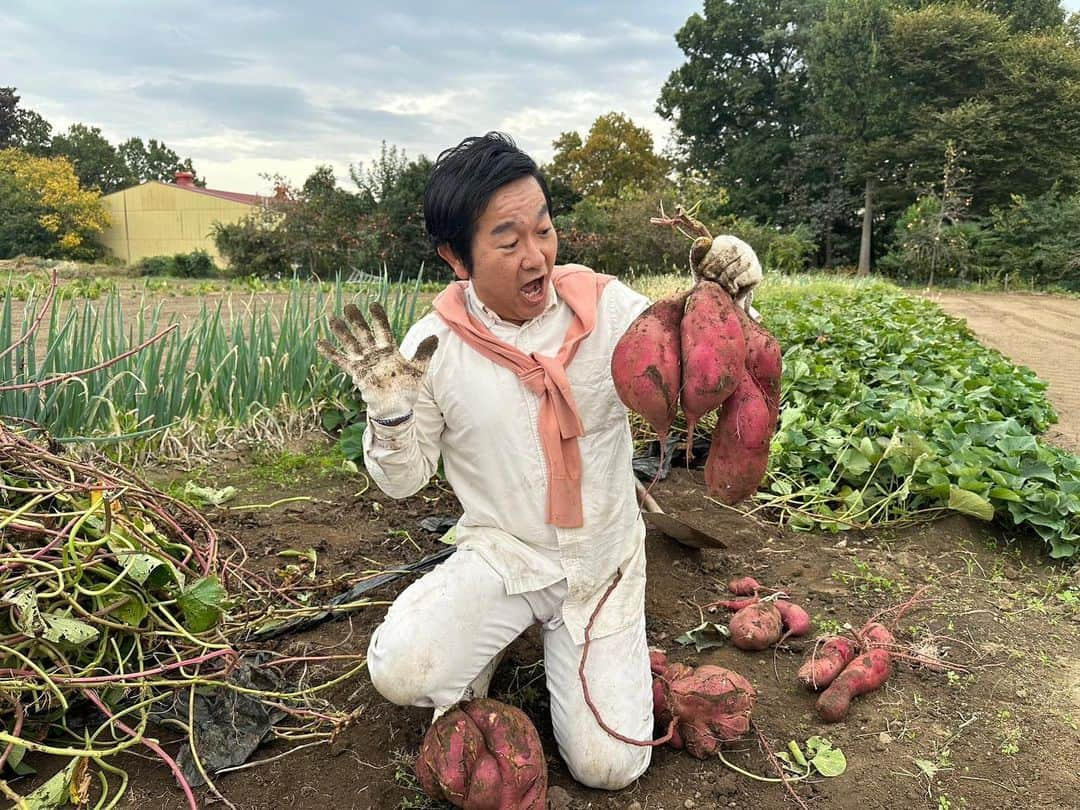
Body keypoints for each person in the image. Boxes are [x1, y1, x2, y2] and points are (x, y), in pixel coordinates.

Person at [317, 132, 762, 790]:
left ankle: (589, 647)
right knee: (400, 671)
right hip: (506, 556)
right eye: (508, 239)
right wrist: (387, 408)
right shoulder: (430, 347)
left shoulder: (607, 307)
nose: (537, 257)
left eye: (544, 229)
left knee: (610, 768)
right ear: (455, 256)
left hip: (601, 561)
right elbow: (404, 480)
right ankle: (487, 645)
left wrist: (730, 296)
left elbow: (696, 360)